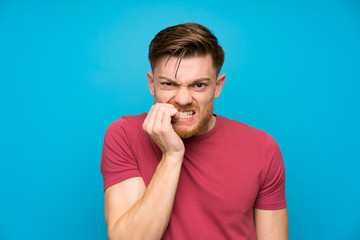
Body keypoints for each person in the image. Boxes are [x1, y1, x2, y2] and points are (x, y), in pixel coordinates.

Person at [101, 22, 288, 240]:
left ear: (217, 86)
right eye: (169, 84)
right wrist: (171, 155)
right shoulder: (124, 135)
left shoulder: (261, 147)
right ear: (152, 84)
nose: (182, 99)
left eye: (198, 85)